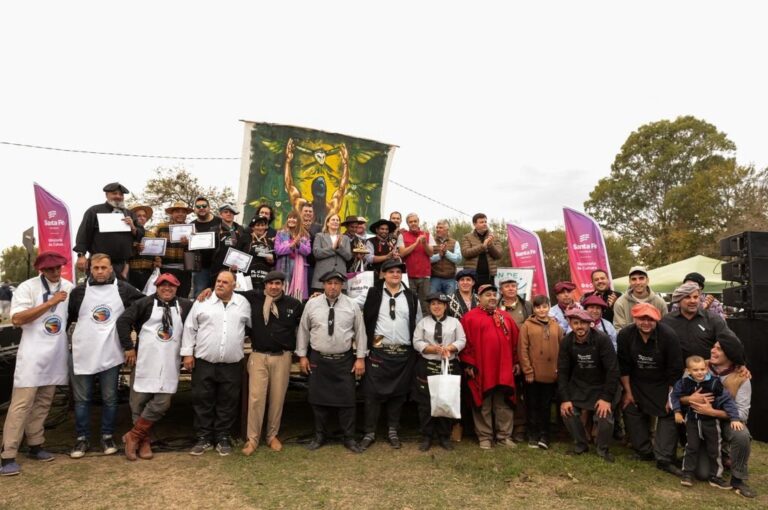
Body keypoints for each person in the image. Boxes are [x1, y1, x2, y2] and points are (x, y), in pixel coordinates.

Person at [0, 252, 73, 476]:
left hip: (54, 355)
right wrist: (49, 303)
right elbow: (17, 319)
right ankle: (7, 454)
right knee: (21, 405)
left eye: (57, 268)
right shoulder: (27, 287)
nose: (54, 272)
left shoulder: (69, 287)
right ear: (40, 269)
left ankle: (35, 445)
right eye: (49, 269)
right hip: (32, 355)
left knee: (44, 402)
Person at [67, 253, 145, 458]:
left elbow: (144, 306)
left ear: (111, 269)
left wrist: (132, 340)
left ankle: (107, 436)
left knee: (110, 398)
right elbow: (71, 317)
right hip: (83, 351)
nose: (100, 271)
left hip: (111, 352)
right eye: (96, 268)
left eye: (104, 267)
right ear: (89, 269)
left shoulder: (124, 289)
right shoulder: (78, 292)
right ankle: (81, 438)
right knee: (82, 399)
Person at [116, 273, 193, 461]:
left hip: (169, 362)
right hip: (145, 361)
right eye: (162, 286)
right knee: (138, 403)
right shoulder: (144, 303)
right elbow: (123, 321)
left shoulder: (185, 305)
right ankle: (144, 441)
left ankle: (133, 435)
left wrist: (206, 293)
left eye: (171, 286)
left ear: (177, 288)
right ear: (157, 287)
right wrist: (128, 348)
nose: (167, 289)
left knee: (162, 402)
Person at [181, 271, 251, 456]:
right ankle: (203, 438)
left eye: (225, 282)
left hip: (232, 363)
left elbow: (251, 326)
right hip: (205, 362)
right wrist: (187, 354)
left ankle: (222, 437)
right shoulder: (202, 301)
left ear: (234, 285)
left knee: (227, 402)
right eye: (218, 281)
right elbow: (190, 328)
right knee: (202, 400)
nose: (220, 284)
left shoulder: (243, 304)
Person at [296, 271, 367, 453]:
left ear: (342, 285)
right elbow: (303, 330)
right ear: (323, 284)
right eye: (329, 283)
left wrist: (360, 358)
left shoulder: (352, 305)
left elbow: (360, 332)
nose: (333, 286)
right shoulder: (311, 305)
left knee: (348, 401)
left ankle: (349, 438)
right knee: (318, 401)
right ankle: (320, 436)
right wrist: (302, 356)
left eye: (336, 283)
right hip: (319, 360)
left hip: (344, 360)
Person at [359, 259, 421, 450]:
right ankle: (369, 432)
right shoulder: (372, 293)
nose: (395, 274)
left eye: (398, 272)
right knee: (372, 394)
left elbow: (417, 324)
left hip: (403, 352)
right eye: (391, 271)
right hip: (379, 350)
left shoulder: (411, 296)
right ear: (383, 274)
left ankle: (393, 430)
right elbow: (350, 304)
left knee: (398, 394)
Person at [240, 271, 303, 455]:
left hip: (282, 357)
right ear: (264, 285)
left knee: (277, 399)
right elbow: (228, 292)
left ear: (283, 285)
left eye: (278, 283)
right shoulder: (253, 298)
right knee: (256, 398)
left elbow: (306, 321)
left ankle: (272, 436)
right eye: (270, 283)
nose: (274, 287)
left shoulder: (294, 304)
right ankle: (252, 439)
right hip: (258, 355)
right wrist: (207, 291)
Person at [617, 303, 683, 476]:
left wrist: (671, 396)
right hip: (636, 382)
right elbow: (623, 367)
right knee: (630, 408)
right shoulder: (625, 335)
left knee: (669, 412)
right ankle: (644, 451)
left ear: (657, 320)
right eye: (642, 318)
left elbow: (675, 369)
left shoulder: (669, 336)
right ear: (634, 319)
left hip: (663, 382)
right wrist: (628, 392)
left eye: (650, 319)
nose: (646, 322)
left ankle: (664, 457)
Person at [685, 339, 756, 497]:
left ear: (730, 354)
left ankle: (738, 479)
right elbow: (679, 394)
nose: (713, 351)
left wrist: (713, 412)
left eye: (719, 349)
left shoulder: (742, 376)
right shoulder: (698, 365)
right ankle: (719, 455)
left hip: (725, 422)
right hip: (701, 423)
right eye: (713, 347)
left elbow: (742, 414)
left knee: (741, 434)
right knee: (702, 474)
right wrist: (689, 399)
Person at [460, 284, 519, 449]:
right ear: (479, 298)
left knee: (503, 404)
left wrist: (516, 361)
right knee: (483, 404)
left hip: (504, 369)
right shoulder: (469, 318)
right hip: (482, 368)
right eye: (488, 295)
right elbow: (465, 343)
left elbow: (515, 342)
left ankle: (504, 436)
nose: (492, 297)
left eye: (494, 294)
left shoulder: (506, 317)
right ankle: (485, 437)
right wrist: (468, 364)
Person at [670, 355, 743, 489]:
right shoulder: (684, 383)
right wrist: (677, 411)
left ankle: (715, 477)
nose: (700, 372)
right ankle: (687, 474)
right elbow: (674, 395)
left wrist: (735, 418)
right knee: (691, 447)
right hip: (692, 421)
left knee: (714, 449)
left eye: (702, 369)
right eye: (696, 370)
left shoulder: (715, 383)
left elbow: (727, 401)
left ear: (707, 368)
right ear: (688, 370)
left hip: (711, 423)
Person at [558, 308, 620, 462]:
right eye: (576, 323)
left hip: (603, 384)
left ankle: (602, 449)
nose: (580, 327)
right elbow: (563, 372)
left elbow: (612, 370)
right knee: (568, 411)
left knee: (604, 415)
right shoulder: (566, 341)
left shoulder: (602, 339)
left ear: (590, 324)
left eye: (584, 323)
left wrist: (606, 398)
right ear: (570, 324)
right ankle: (580, 444)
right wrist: (565, 399)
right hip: (579, 384)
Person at [412, 292, 466, 451]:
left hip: (449, 365)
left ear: (445, 306)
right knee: (426, 403)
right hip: (427, 364)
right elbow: (416, 341)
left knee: (445, 400)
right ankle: (427, 436)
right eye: (433, 304)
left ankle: (444, 436)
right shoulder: (423, 323)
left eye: (440, 304)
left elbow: (462, 340)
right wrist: (431, 349)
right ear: (429, 306)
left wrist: (449, 348)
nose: (436, 306)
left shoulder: (455, 322)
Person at [517, 295, 564, 449]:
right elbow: (522, 350)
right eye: (538, 307)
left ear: (549, 307)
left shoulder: (555, 325)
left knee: (546, 405)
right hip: (533, 374)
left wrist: (559, 369)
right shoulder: (527, 326)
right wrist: (528, 371)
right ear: (534, 309)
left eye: (544, 306)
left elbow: (562, 348)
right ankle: (532, 433)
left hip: (551, 373)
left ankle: (545, 434)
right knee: (532, 404)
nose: (541, 310)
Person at [74, 182, 145, 279]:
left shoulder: (129, 213)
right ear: (107, 195)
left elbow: (141, 233)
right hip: (99, 264)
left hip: (122, 266)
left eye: (121, 194)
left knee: (121, 292)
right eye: (114, 193)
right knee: (97, 292)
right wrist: (81, 255)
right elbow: (84, 233)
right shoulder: (94, 211)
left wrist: (133, 227)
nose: (118, 196)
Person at [661, 282, 741, 361]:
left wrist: (740, 363)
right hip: (677, 372)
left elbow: (731, 342)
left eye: (695, 297)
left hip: (707, 371)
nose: (693, 301)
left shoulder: (713, 319)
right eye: (687, 297)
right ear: (679, 300)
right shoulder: (667, 321)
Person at [152, 201, 194, 299]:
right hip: (165, 269)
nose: (180, 214)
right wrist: (157, 260)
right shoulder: (161, 228)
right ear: (172, 213)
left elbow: (196, 253)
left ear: (186, 214)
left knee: (183, 298)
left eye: (183, 212)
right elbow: (154, 246)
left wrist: (188, 245)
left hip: (184, 271)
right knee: (165, 297)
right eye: (177, 211)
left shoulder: (191, 230)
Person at [397, 213, 434, 315]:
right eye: (410, 222)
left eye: (415, 221)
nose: (413, 223)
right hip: (409, 275)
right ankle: (412, 325)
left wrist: (424, 243)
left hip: (424, 274)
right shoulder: (402, 235)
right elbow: (402, 253)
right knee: (410, 302)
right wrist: (416, 243)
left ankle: (426, 325)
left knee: (425, 303)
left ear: (418, 222)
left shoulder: (427, 235)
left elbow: (431, 253)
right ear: (407, 223)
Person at [209, 204, 250, 286]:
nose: (229, 214)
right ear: (221, 214)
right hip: (218, 270)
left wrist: (240, 264)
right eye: (226, 212)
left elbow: (246, 249)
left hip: (237, 270)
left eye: (231, 212)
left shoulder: (241, 230)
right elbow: (210, 252)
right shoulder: (214, 230)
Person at [274, 211, 311, 300]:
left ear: (298, 220)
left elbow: (308, 251)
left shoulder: (305, 235)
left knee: (295, 298)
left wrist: (298, 245)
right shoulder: (280, 233)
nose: (291, 220)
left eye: (294, 218)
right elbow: (277, 250)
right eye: (289, 218)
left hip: (298, 270)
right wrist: (290, 246)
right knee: (281, 294)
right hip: (283, 269)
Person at [310, 213, 352, 293]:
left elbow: (348, 257)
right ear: (327, 223)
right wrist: (332, 248)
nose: (335, 221)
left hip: (339, 278)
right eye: (333, 220)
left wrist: (339, 248)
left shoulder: (345, 238)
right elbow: (317, 253)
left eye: (337, 220)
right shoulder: (319, 236)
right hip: (322, 278)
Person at [191, 196, 222, 297]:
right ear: (194, 209)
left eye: (204, 206)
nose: (201, 208)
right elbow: (188, 249)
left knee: (220, 294)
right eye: (198, 206)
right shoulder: (191, 226)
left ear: (209, 208)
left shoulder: (220, 222)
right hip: (201, 268)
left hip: (219, 266)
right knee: (200, 294)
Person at [460, 213, 502, 286]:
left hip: (489, 276)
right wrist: (483, 246)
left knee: (488, 296)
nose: (484, 224)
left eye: (485, 222)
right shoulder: (467, 237)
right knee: (473, 297)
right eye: (481, 222)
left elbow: (499, 255)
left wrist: (490, 245)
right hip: (471, 276)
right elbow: (466, 253)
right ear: (474, 224)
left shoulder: (494, 237)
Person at [127, 204, 156, 292]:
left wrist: (157, 260)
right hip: (131, 272)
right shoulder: (127, 233)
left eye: (144, 216)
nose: (142, 218)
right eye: (138, 216)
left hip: (148, 272)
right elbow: (123, 250)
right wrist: (135, 248)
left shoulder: (151, 234)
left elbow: (156, 253)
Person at [429, 220, 462, 295]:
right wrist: (439, 255)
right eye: (437, 227)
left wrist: (446, 252)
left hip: (450, 279)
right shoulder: (431, 242)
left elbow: (458, 259)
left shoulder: (455, 242)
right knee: (433, 302)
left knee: (450, 303)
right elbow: (428, 260)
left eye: (440, 228)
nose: (437, 229)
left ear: (447, 230)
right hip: (434, 278)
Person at [245, 216, 275, 292]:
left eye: (262, 225)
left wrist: (271, 260)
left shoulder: (270, 242)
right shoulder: (245, 239)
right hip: (248, 277)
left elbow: (274, 261)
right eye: (257, 225)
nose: (260, 228)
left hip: (264, 277)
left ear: (265, 227)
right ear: (252, 227)